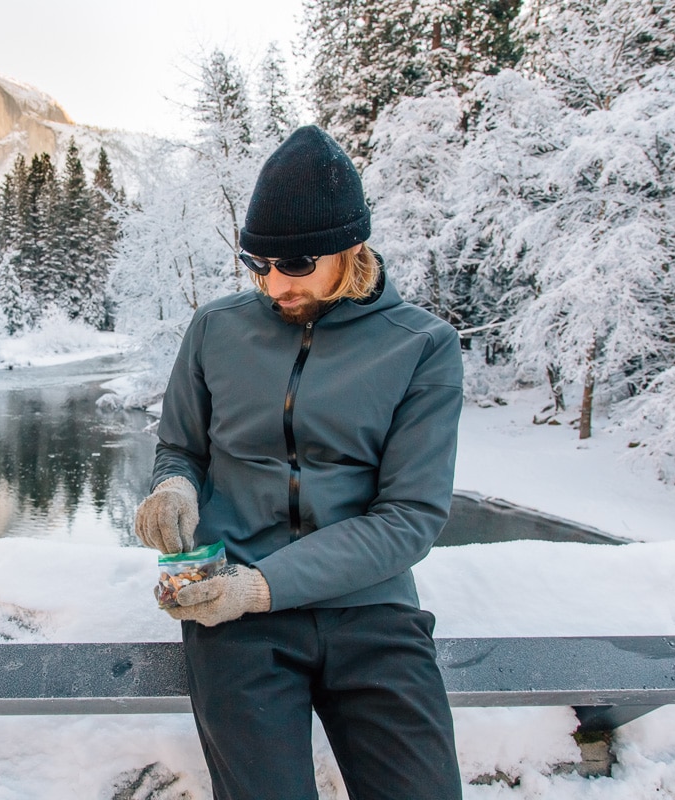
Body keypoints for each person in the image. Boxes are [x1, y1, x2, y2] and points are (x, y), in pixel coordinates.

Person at [134, 125, 465, 800]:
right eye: (258, 265)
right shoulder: (215, 330)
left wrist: (263, 585)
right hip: (237, 619)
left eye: (295, 266)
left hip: (371, 612)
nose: (273, 283)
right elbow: (183, 447)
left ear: (349, 249)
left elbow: (408, 519)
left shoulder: (422, 348)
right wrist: (173, 489)